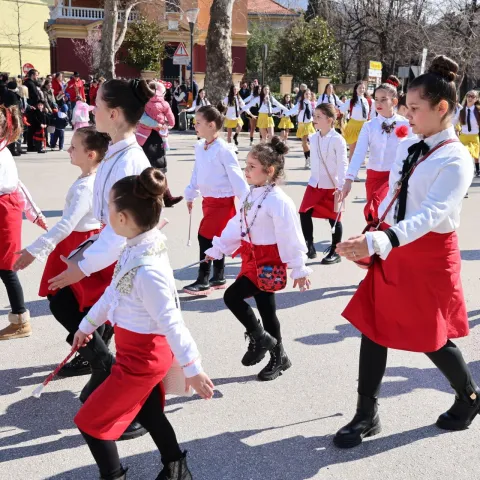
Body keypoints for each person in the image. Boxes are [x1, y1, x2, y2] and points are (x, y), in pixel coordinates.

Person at [334, 55, 479, 448]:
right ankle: (367, 414)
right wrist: (371, 229)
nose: (407, 115)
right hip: (396, 244)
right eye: (407, 107)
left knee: (432, 336)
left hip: (429, 253)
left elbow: (433, 214)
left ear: (442, 108)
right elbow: (396, 194)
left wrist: (382, 240)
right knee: (373, 327)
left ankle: (469, 396)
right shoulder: (412, 144)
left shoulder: (457, 157)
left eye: (415, 108)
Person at [72, 167, 214, 480]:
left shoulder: (147, 267)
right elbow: (113, 293)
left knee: (90, 422)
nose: (105, 212)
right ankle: (176, 468)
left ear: (122, 218)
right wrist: (86, 326)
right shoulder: (139, 245)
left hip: (143, 357)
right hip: (136, 350)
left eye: (109, 207)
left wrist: (194, 368)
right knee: (149, 412)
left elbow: (172, 322)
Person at [47, 78, 155, 440]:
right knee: (65, 300)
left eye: (95, 104)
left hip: (127, 257)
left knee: (135, 341)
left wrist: (82, 266)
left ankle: (135, 412)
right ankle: (101, 366)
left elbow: (118, 230)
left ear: (112, 113)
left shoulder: (129, 160)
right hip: (110, 251)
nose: (91, 109)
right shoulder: (117, 151)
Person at [205, 137, 311, 381]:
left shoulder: (279, 200)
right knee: (267, 310)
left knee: (232, 296)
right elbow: (238, 224)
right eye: (247, 165)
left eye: (252, 166)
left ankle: (260, 338)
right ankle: (279, 356)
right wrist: (219, 246)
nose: (246, 170)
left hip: (269, 260)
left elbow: (291, 235)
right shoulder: (251, 195)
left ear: (269, 170)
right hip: (251, 256)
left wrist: (299, 267)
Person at [14, 127, 110, 375]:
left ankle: (98, 356)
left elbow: (66, 224)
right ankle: (95, 348)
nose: (68, 150)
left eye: (74, 147)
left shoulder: (86, 186)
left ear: (90, 154)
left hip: (78, 245)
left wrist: (35, 250)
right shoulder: (94, 178)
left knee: (67, 303)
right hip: (81, 242)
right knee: (74, 301)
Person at [183, 104, 249, 295]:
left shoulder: (224, 149)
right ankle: (218, 276)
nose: (195, 125)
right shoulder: (200, 147)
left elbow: (237, 178)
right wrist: (191, 192)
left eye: (198, 123)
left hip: (222, 202)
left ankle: (203, 279)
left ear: (211, 125)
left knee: (205, 237)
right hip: (208, 201)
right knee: (216, 238)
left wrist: (246, 202)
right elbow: (197, 172)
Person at [0, 104, 48, 340]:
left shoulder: (2, 154)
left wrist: (36, 214)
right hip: (5, 210)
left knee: (7, 269)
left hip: (4, 213)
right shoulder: (3, 151)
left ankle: (20, 320)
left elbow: (18, 188)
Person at [339, 82, 413, 222]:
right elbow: (359, 153)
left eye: (383, 99)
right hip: (373, 177)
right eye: (376, 99)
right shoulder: (369, 126)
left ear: (394, 101)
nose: (378, 103)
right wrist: (349, 179)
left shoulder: (406, 125)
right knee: (372, 216)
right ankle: (374, 241)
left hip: (395, 177)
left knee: (380, 211)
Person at [299, 103, 348, 263]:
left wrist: (341, 186)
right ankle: (309, 246)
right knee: (304, 212)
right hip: (315, 184)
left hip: (332, 186)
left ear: (329, 120)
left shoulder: (338, 139)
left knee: (334, 219)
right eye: (315, 116)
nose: (315, 119)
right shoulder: (314, 137)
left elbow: (342, 163)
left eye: (318, 117)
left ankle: (335, 250)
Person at [140, 82, 183, 208]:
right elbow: (171, 120)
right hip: (152, 136)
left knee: (154, 167)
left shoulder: (144, 101)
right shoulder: (160, 103)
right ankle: (162, 197)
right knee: (155, 168)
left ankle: (166, 196)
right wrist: (160, 124)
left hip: (147, 136)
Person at [339, 82, 374, 162]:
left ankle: (357, 166)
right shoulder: (351, 101)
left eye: (363, 88)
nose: (362, 90)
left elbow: (372, 114)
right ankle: (350, 170)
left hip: (364, 126)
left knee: (362, 148)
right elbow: (341, 110)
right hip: (353, 126)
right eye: (360, 88)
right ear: (356, 89)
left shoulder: (369, 101)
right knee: (353, 149)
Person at [285, 89, 316, 168]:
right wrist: (285, 114)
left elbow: (315, 113)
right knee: (304, 144)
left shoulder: (312, 104)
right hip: (302, 125)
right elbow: (294, 110)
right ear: (303, 95)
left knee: (307, 143)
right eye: (306, 94)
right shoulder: (300, 103)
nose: (308, 95)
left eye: (309, 94)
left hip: (309, 124)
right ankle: (308, 159)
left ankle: (310, 159)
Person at [454, 90, 479, 177]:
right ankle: (467, 171)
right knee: (466, 153)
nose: (470, 98)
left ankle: (477, 169)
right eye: (469, 96)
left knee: (475, 154)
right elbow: (454, 122)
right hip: (464, 136)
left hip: (475, 136)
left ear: (476, 99)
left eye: (472, 96)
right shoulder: (461, 110)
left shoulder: (478, 110)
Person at [223, 85, 250, 150]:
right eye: (234, 89)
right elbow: (223, 105)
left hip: (236, 116)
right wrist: (222, 113)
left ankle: (236, 136)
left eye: (236, 89)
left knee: (240, 126)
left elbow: (243, 106)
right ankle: (230, 148)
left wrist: (249, 113)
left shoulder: (238, 98)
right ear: (232, 90)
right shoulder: (228, 98)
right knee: (229, 134)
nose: (235, 91)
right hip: (229, 117)